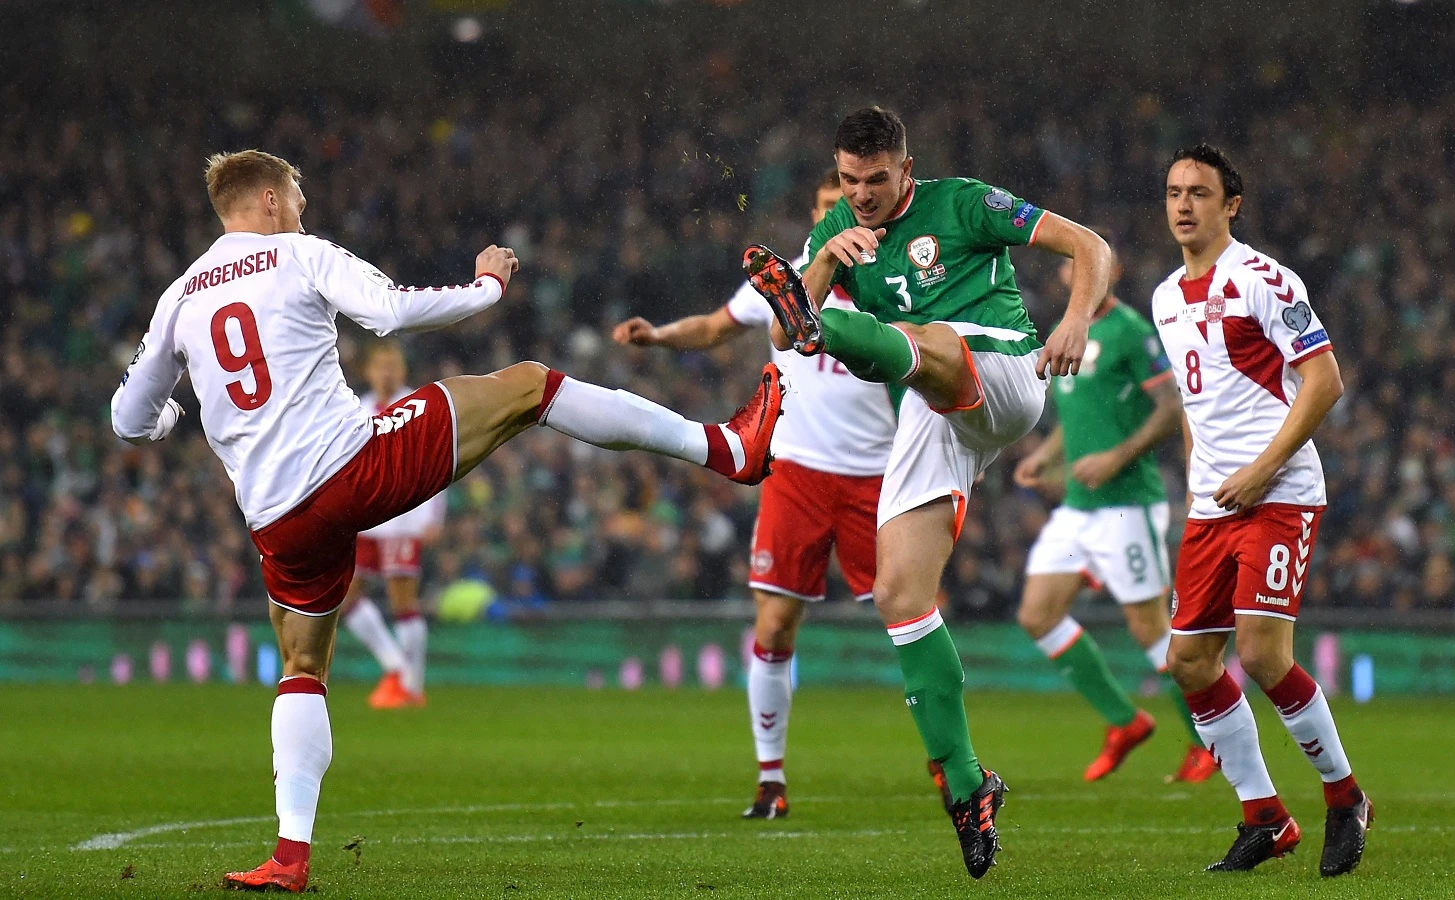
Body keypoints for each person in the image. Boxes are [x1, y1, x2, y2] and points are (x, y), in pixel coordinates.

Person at [109, 150, 784, 893]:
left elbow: (128, 417)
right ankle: (725, 446)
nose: (302, 205)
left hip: (277, 519)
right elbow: (391, 312)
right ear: (269, 198)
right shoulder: (298, 253)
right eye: (297, 194)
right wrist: (486, 286)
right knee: (529, 387)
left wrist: (174, 411)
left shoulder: (179, 295)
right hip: (351, 467)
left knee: (303, 669)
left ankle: (290, 856)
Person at [743, 106, 1111, 879]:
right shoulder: (837, 228)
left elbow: (1089, 244)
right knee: (898, 595)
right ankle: (970, 785)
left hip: (1007, 368)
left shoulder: (965, 202)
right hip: (930, 402)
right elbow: (780, 335)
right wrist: (819, 266)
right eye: (850, 180)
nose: (864, 194)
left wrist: (1075, 319)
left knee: (922, 343)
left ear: (907, 169)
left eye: (878, 179)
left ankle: (836, 334)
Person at [613, 170, 897, 820]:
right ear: (818, 212)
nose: (842, 213)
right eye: (829, 204)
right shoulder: (788, 273)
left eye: (850, 202)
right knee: (772, 624)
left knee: (909, 618)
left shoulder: (894, 278)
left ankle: (954, 769)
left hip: (877, 475)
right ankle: (770, 779)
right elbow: (716, 327)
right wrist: (658, 336)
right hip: (796, 471)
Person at [1150, 144, 1371, 876]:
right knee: (1187, 661)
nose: (1184, 205)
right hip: (1213, 502)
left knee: (1261, 655)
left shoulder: (1264, 280)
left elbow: (1324, 380)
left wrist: (1262, 468)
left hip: (1280, 493)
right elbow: (1194, 400)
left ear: (1231, 204)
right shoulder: (1162, 296)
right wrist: (1197, 477)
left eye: (1200, 193)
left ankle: (1345, 799)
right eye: (1175, 192)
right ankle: (1265, 818)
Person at [1012, 251, 1217, 784]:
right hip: (1079, 508)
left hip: (1128, 504)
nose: (1078, 276)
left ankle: (1208, 743)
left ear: (1112, 273)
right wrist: (1047, 455)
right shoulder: (1063, 331)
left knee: (1150, 631)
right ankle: (1125, 721)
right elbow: (1079, 412)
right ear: (1064, 276)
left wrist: (1115, 458)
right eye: (1070, 268)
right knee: (1037, 614)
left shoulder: (1131, 330)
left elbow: (1172, 409)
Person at [339, 341, 445, 709]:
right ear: (368, 371)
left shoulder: (417, 405)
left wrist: (433, 515)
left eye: (393, 365)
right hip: (367, 520)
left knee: (404, 601)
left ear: (402, 370)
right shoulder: (357, 408)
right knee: (345, 596)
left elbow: (437, 460)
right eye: (380, 365)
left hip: (403, 518)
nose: (386, 372)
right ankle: (397, 668)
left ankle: (412, 685)